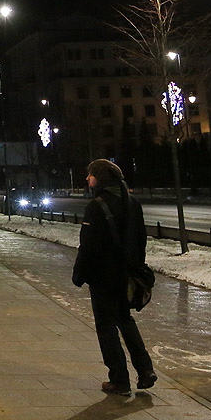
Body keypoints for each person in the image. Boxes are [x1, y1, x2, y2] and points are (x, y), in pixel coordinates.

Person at [72, 158, 156, 395]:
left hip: (103, 278)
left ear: (99, 178)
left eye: (90, 175)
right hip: (127, 275)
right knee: (125, 319)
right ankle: (145, 369)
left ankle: (119, 379)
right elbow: (141, 240)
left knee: (106, 326)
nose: (87, 179)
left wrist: (79, 274)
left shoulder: (97, 206)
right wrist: (135, 266)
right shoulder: (133, 203)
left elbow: (88, 246)